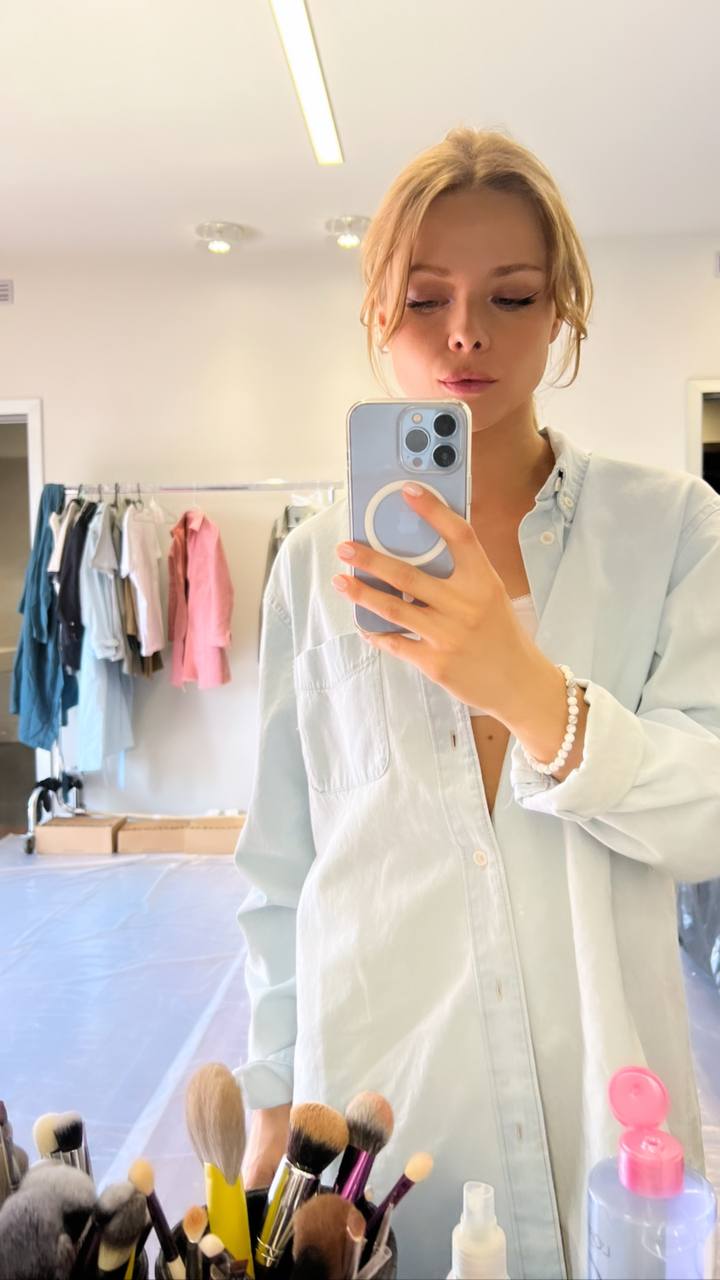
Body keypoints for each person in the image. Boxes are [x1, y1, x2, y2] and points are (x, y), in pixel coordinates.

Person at [233, 127, 720, 1279]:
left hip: (615, 1138)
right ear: (377, 312)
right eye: (424, 298)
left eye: (511, 295)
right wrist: (268, 1103)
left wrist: (529, 689)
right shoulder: (313, 569)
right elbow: (283, 864)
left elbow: (707, 815)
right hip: (387, 1123)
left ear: (561, 313)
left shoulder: (670, 529)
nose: (465, 332)